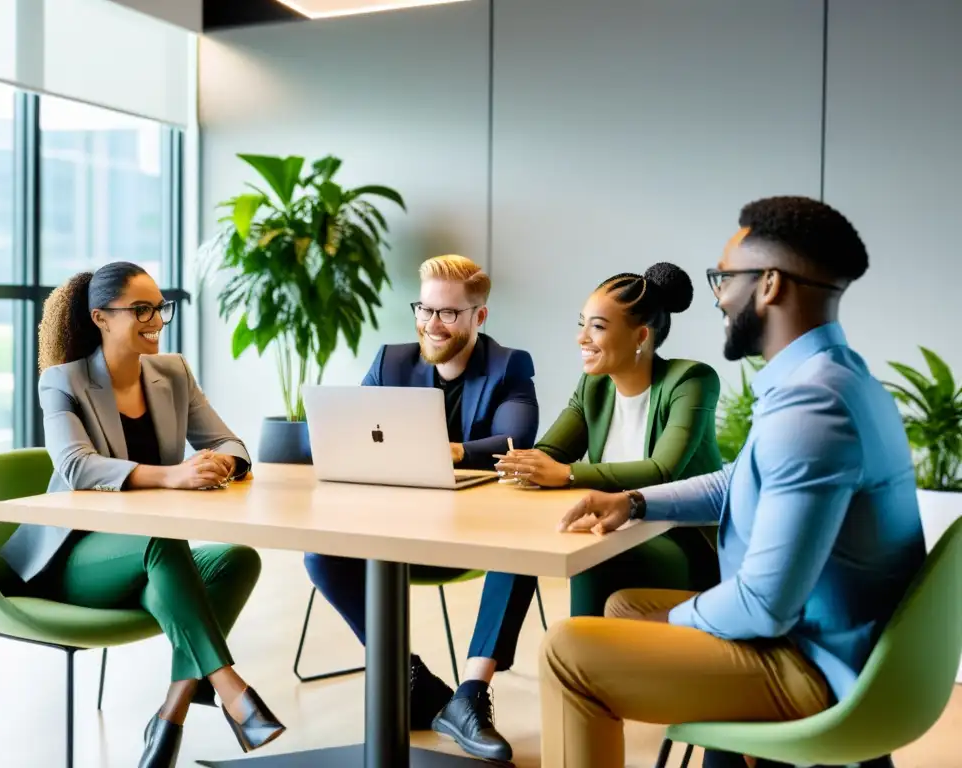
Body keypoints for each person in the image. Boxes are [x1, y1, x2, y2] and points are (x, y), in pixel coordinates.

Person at [539, 196, 923, 768]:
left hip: (811, 662)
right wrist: (635, 501)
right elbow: (733, 483)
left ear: (769, 285)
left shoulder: (813, 408)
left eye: (725, 278)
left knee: (568, 650)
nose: (717, 296)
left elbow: (764, 607)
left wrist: (669, 624)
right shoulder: (832, 379)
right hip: (825, 636)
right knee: (621, 606)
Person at [0, 262, 286, 768]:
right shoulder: (62, 381)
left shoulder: (172, 372)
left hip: (151, 555)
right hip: (74, 560)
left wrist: (224, 460)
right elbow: (76, 466)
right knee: (161, 540)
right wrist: (172, 475)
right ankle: (232, 690)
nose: (156, 319)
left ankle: (170, 713)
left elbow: (228, 440)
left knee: (238, 560)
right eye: (141, 309)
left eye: (160, 307)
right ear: (101, 318)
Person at [445, 262, 723, 761]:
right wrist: (515, 464)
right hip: (610, 530)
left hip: (687, 546)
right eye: (581, 323)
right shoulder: (593, 386)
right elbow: (548, 453)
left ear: (640, 335)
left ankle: (588, 686)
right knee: (527, 537)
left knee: (589, 549)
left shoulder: (691, 381)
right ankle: (472, 691)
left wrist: (569, 475)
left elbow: (664, 469)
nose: (581, 339)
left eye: (597, 326)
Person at [302, 254, 540, 756]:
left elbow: (515, 438)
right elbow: (351, 427)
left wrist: (444, 447)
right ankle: (411, 680)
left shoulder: (508, 365)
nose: (432, 324)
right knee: (320, 555)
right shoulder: (392, 361)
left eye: (448, 313)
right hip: (397, 526)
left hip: (475, 531)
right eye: (425, 309)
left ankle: (471, 695)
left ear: (479, 317)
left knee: (524, 551)